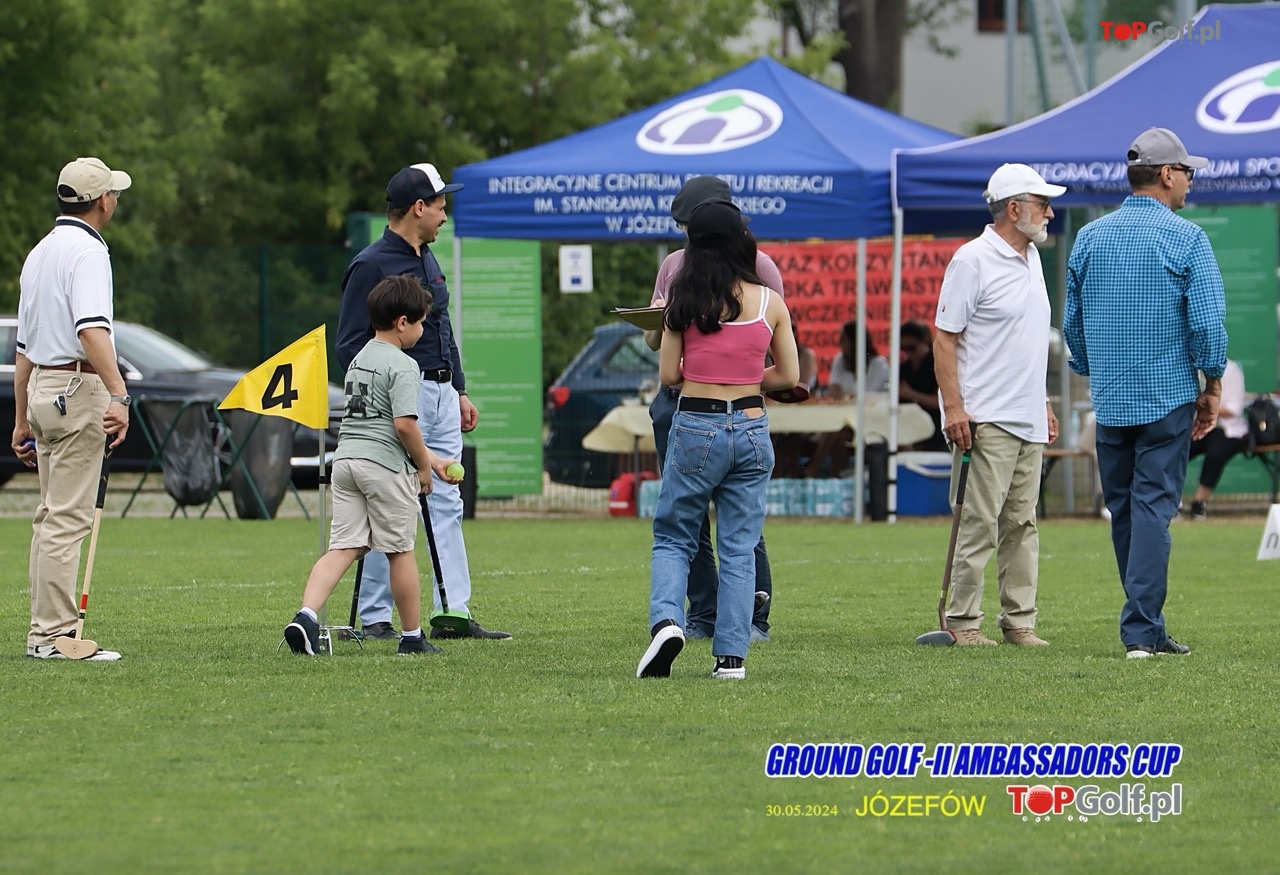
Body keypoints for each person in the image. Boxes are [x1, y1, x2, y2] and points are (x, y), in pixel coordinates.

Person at [1064, 127, 1227, 660]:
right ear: (1167, 175)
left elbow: (1073, 324)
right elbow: (1207, 324)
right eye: (1187, 172)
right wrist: (1212, 384)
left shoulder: (1089, 237)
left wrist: (1094, 369)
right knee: (1153, 509)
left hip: (1111, 400)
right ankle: (1141, 631)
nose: (1191, 181)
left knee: (1126, 512)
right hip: (1166, 397)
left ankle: (1148, 625)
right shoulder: (1188, 238)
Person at [336, 163, 509, 641]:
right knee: (389, 502)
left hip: (441, 394)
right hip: (397, 402)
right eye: (439, 205)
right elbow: (349, 344)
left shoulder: (428, 258)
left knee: (449, 500)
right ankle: (376, 618)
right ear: (418, 207)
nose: (444, 215)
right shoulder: (370, 265)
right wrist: (383, 400)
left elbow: (442, 327)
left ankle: (452, 612)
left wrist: (459, 389)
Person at [637, 199, 799, 680]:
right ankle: (731, 657)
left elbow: (669, 374)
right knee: (740, 545)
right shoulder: (770, 303)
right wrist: (746, 377)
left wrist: (706, 373)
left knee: (675, 536)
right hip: (751, 425)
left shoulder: (681, 303)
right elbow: (789, 375)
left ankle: (667, 622)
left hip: (696, 424)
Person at [285, 276, 462, 655]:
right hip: (384, 468)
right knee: (400, 551)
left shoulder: (359, 359)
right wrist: (423, 469)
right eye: (421, 323)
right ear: (402, 322)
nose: (422, 331)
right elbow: (404, 426)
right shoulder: (404, 365)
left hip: (347, 462)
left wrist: (435, 461)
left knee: (343, 547)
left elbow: (377, 424)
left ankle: (306, 617)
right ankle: (412, 638)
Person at [933, 162, 1063, 647]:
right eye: (1042, 204)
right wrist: (954, 409)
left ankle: (1019, 622)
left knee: (1022, 524)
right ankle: (963, 621)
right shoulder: (972, 259)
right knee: (979, 523)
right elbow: (944, 338)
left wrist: (1043, 401)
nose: (1050, 213)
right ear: (1014, 208)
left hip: (1027, 415)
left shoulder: (1032, 258)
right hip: (986, 416)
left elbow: (1026, 341)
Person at [12, 157, 133, 661]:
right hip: (76, 387)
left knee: (49, 517)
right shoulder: (89, 250)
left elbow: (23, 347)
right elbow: (91, 330)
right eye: (114, 193)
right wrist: (119, 395)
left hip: (43, 387)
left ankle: (44, 632)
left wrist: (20, 418)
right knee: (65, 519)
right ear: (103, 200)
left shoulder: (39, 251)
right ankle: (53, 636)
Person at [802, 320, 888, 478]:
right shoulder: (840, 361)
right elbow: (834, 390)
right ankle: (836, 476)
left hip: (870, 420)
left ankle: (813, 469)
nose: (839, 343)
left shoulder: (878, 365)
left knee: (835, 429)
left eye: (843, 339)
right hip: (845, 420)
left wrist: (847, 397)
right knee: (837, 433)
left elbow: (871, 398)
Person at [1181, 359, 1248, 520]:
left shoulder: (1231, 369)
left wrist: (1207, 408)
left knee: (1216, 454)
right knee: (1175, 452)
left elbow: (1234, 409)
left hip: (1227, 430)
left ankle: (1199, 504)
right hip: (1196, 427)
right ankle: (1173, 503)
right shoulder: (1185, 366)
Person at [898, 320, 946, 452]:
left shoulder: (936, 364)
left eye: (912, 348)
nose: (908, 353)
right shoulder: (904, 368)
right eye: (903, 349)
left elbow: (941, 402)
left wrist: (912, 394)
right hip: (909, 426)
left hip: (935, 427)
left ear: (923, 342)